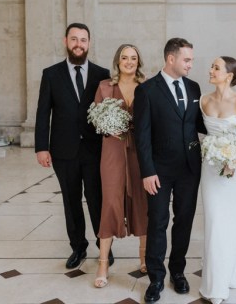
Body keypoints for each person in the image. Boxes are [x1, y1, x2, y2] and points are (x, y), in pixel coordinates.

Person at [133, 37, 206, 303]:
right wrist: (147, 171)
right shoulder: (147, 90)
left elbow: (200, 124)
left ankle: (178, 271)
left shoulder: (194, 87)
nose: (190, 65)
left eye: (191, 60)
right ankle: (155, 278)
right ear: (171, 58)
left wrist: (232, 128)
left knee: (184, 221)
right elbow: (141, 136)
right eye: (187, 60)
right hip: (159, 171)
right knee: (158, 223)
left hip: (189, 168)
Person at [34, 23, 111, 269]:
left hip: (94, 150)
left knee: (96, 199)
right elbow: (42, 112)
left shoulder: (102, 74)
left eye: (83, 40)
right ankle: (78, 247)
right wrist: (41, 147)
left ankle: (104, 246)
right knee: (71, 201)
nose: (79, 44)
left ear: (89, 43)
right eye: (74, 39)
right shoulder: (51, 74)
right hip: (63, 150)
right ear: (66, 41)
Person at [199, 57, 236, 304]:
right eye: (212, 66)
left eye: (216, 67)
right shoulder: (202, 101)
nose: (210, 70)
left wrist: (234, 159)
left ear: (230, 75)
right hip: (211, 170)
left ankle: (228, 276)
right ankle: (215, 283)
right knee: (214, 223)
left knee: (233, 224)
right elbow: (198, 134)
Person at [92, 44, 148, 288]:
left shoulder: (146, 87)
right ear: (117, 61)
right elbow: (95, 119)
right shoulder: (105, 87)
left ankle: (144, 257)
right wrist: (106, 126)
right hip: (112, 151)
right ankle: (103, 263)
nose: (128, 61)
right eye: (124, 57)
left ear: (138, 62)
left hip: (139, 152)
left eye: (133, 58)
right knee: (111, 202)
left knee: (142, 201)